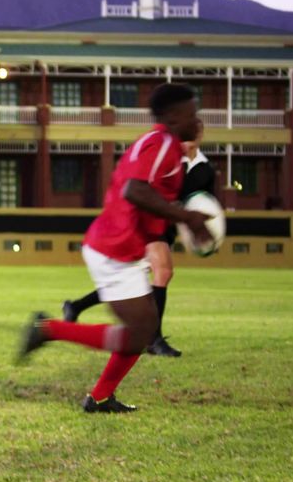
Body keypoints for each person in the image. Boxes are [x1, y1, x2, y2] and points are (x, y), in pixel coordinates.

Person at [17, 84, 210, 413]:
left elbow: (146, 196)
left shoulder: (165, 146)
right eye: (192, 114)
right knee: (140, 333)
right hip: (114, 246)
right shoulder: (163, 144)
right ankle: (49, 329)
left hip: (123, 246)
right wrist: (186, 217)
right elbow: (135, 190)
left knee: (143, 330)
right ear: (175, 117)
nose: (198, 119)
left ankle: (100, 397)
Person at [61, 119, 216, 357]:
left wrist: (204, 232)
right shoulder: (166, 156)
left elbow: (207, 205)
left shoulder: (205, 170)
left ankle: (76, 306)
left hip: (169, 226)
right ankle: (154, 340)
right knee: (163, 272)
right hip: (147, 222)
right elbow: (143, 188)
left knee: (134, 282)